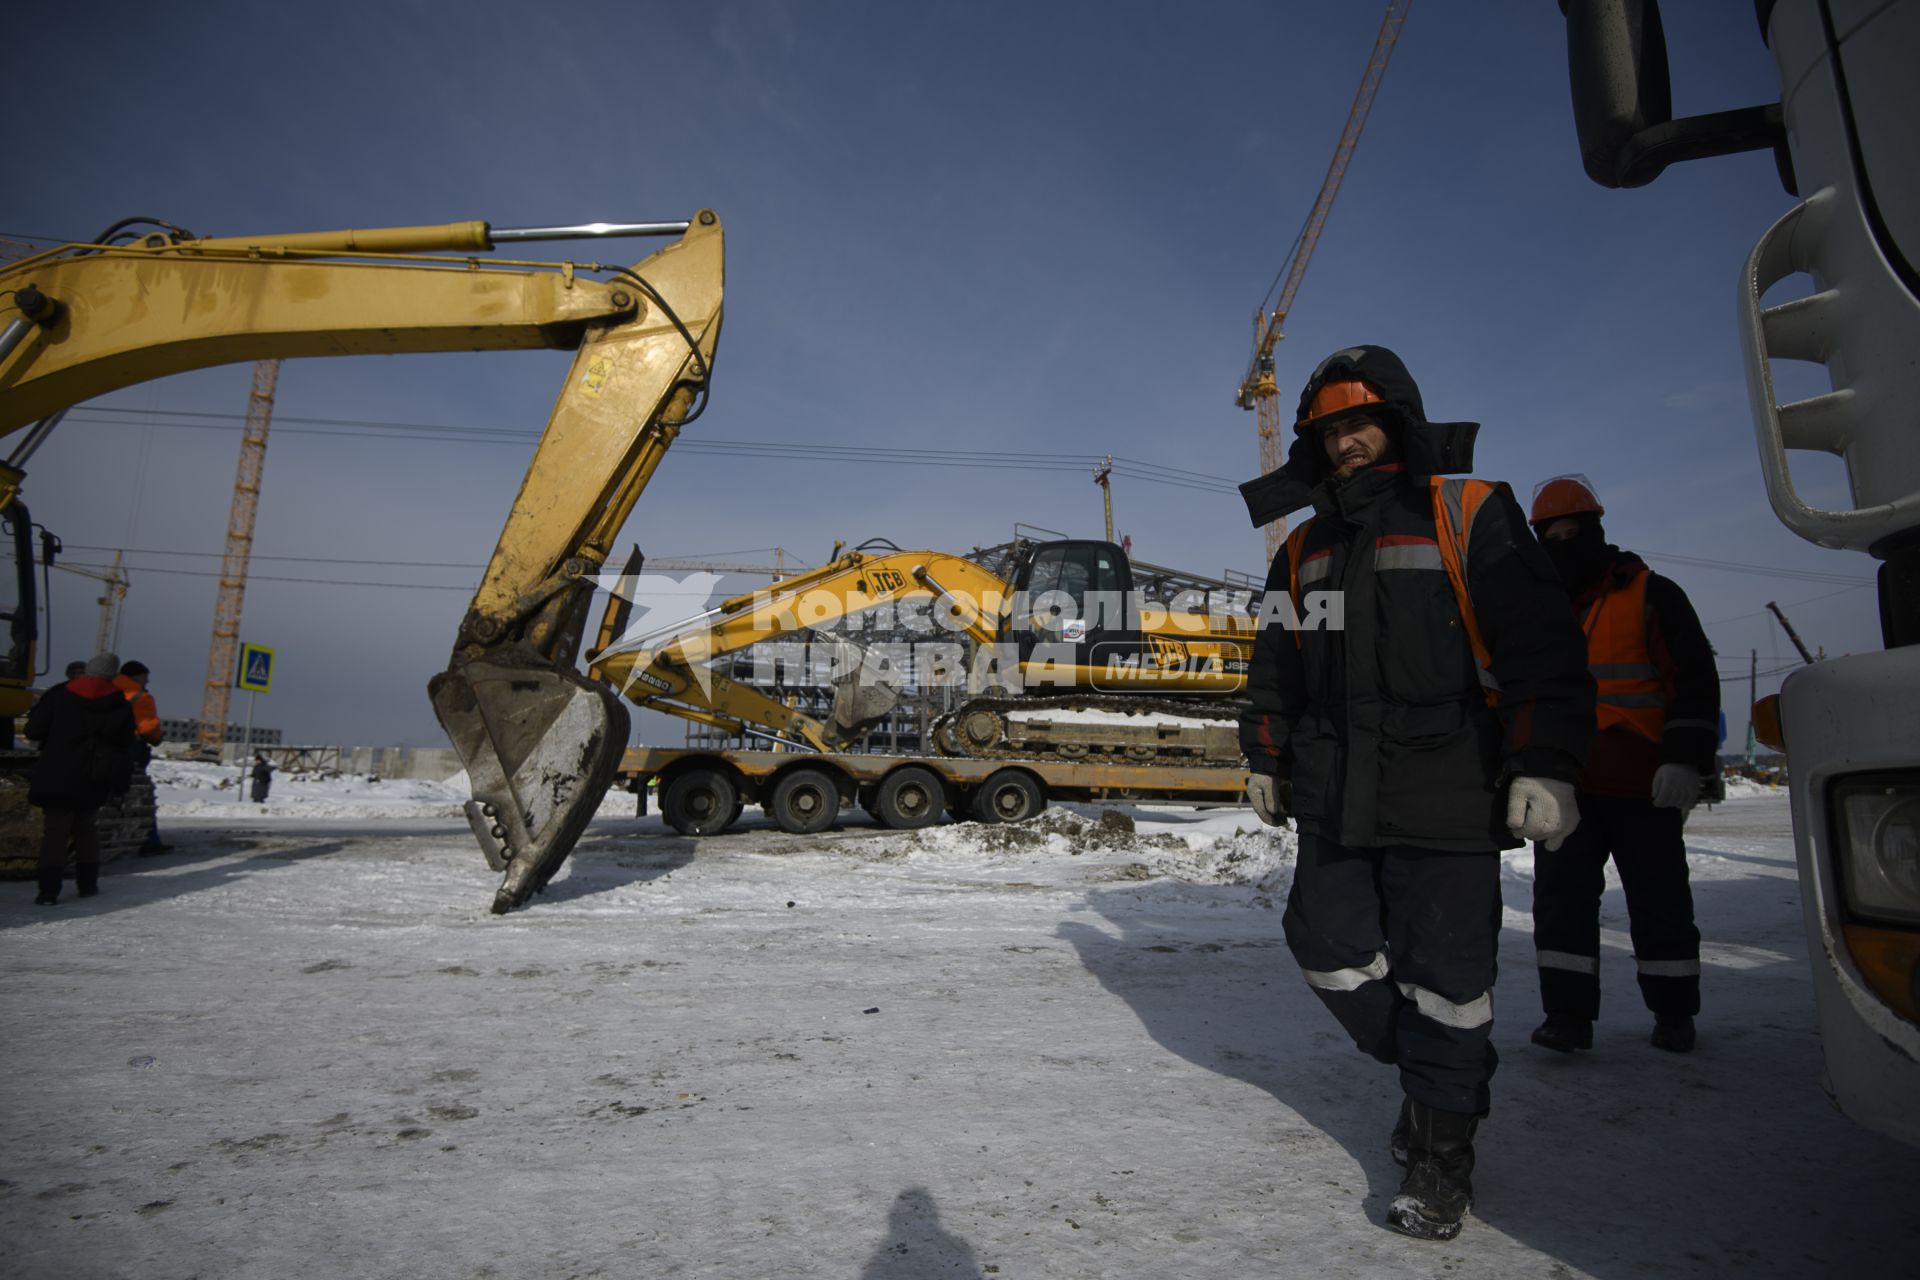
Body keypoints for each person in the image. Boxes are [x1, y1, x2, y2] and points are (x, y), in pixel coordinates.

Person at [1237, 345, 1596, 1242]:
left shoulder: (1465, 511)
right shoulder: (1302, 552)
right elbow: (1273, 667)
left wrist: (1545, 760)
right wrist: (1264, 755)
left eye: (1359, 423)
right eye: (1327, 432)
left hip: (1448, 784)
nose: (1345, 442)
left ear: (1396, 420)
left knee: (1446, 980)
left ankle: (1441, 1158)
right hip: (1334, 784)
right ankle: (1444, 1080)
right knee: (1322, 943)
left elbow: (1541, 645)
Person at [1526, 475, 1721, 1055]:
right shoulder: (1537, 611)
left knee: (1660, 902)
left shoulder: (1651, 593)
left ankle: (1674, 1013)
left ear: (1597, 531)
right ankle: (1566, 1016)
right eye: (1550, 534)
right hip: (1568, 786)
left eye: (1572, 530)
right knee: (1561, 905)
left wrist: (1686, 760)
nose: (1562, 540)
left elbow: (1693, 680)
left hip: (1645, 785)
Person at [25, 652, 136, 904]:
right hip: (94, 774)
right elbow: (126, 741)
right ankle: (87, 884)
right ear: (112, 676)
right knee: (86, 828)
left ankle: (48, 891)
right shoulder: (119, 703)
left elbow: (34, 730)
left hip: (57, 770)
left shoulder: (60, 694)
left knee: (55, 831)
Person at [114, 659, 170, 854]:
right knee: (140, 796)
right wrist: (157, 737)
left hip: (102, 750)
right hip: (131, 750)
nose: (147, 682)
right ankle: (149, 841)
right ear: (137, 677)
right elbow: (148, 728)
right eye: (145, 678)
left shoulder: (108, 690)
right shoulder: (140, 697)